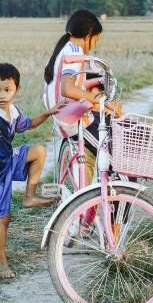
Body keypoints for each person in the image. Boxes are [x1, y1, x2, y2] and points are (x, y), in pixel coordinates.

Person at [0, 63, 64, 278]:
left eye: (7, 90)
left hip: (8, 159)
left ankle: (29, 196)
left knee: (39, 150)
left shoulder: (12, 111)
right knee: (4, 218)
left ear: (17, 90)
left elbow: (29, 125)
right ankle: (1, 262)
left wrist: (49, 113)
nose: (2, 95)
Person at [43, 10, 122, 180]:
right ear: (89, 35)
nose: (93, 44)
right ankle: (114, 199)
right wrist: (103, 101)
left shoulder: (61, 50)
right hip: (73, 119)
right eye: (95, 40)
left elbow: (71, 86)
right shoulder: (75, 52)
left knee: (109, 129)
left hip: (61, 114)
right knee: (118, 158)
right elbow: (67, 89)